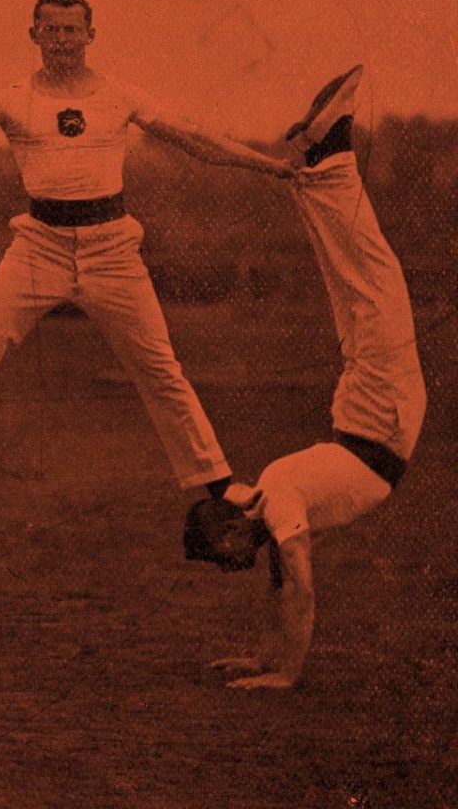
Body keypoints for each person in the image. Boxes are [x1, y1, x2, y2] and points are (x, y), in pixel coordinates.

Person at [0, 0, 296, 514]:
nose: (63, 41)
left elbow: (196, 140)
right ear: (34, 36)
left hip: (112, 247)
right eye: (52, 30)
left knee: (161, 368)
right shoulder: (9, 99)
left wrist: (272, 165)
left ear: (91, 35)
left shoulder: (119, 95)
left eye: (73, 31)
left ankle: (216, 481)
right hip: (38, 247)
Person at [184, 67, 423, 690]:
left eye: (226, 552)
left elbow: (303, 590)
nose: (230, 563)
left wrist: (284, 674)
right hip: (369, 413)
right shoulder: (269, 498)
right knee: (361, 280)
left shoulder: (280, 499)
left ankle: (329, 158)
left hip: (381, 411)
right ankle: (325, 158)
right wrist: (261, 658)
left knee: (369, 277)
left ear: (239, 524)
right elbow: (279, 589)